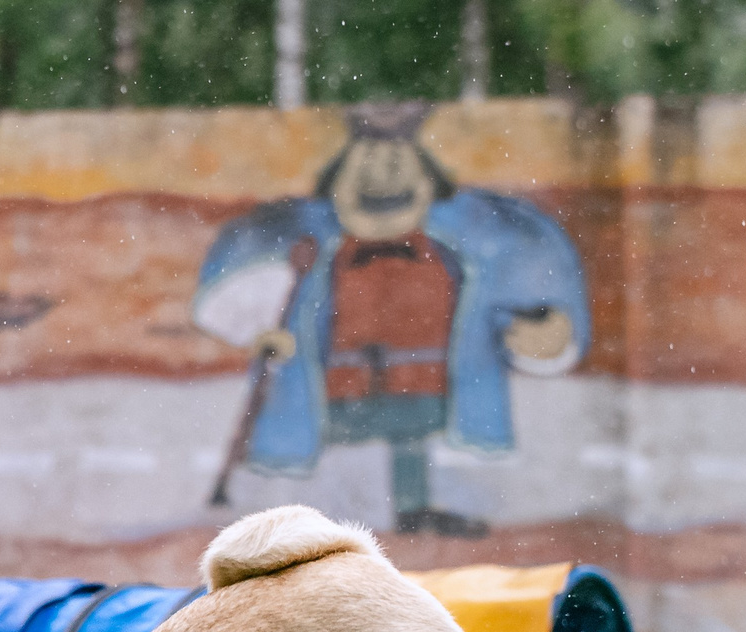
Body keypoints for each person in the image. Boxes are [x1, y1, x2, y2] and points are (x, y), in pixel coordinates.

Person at [194, 102, 588, 536]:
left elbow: (506, 307)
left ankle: (412, 509)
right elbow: (259, 301)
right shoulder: (314, 258)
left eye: (400, 165)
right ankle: (329, 522)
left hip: (420, 378)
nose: (383, 179)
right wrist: (269, 333)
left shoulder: (462, 259)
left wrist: (542, 334)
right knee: (343, 449)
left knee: (410, 445)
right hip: (344, 382)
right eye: (365, 168)